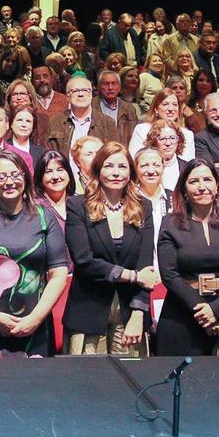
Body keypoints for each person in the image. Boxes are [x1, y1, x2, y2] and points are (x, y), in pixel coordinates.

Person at [0, 150, 69, 357]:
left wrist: (34, 319)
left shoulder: (45, 218)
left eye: (15, 174)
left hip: (35, 324)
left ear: (26, 177)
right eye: (1, 176)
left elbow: (58, 273)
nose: (9, 182)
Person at [62, 142, 158, 356]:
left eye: (122, 167)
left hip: (129, 312)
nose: (116, 173)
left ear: (131, 172)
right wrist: (133, 276)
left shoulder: (144, 207)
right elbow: (83, 260)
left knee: (130, 382)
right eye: (109, 166)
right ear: (98, 169)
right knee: (90, 383)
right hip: (88, 311)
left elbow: (146, 267)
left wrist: (138, 314)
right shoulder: (78, 206)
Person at [157, 159, 219, 355]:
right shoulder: (170, 224)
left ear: (217, 186)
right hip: (182, 314)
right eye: (194, 181)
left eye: (207, 180)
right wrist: (203, 312)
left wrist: (217, 310)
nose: (202, 187)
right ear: (184, 189)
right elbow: (169, 275)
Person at [128, 89, 197, 159]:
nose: (171, 109)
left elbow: (188, 163)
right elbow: (135, 159)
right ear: (156, 109)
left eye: (175, 105)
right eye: (165, 104)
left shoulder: (187, 134)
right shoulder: (142, 130)